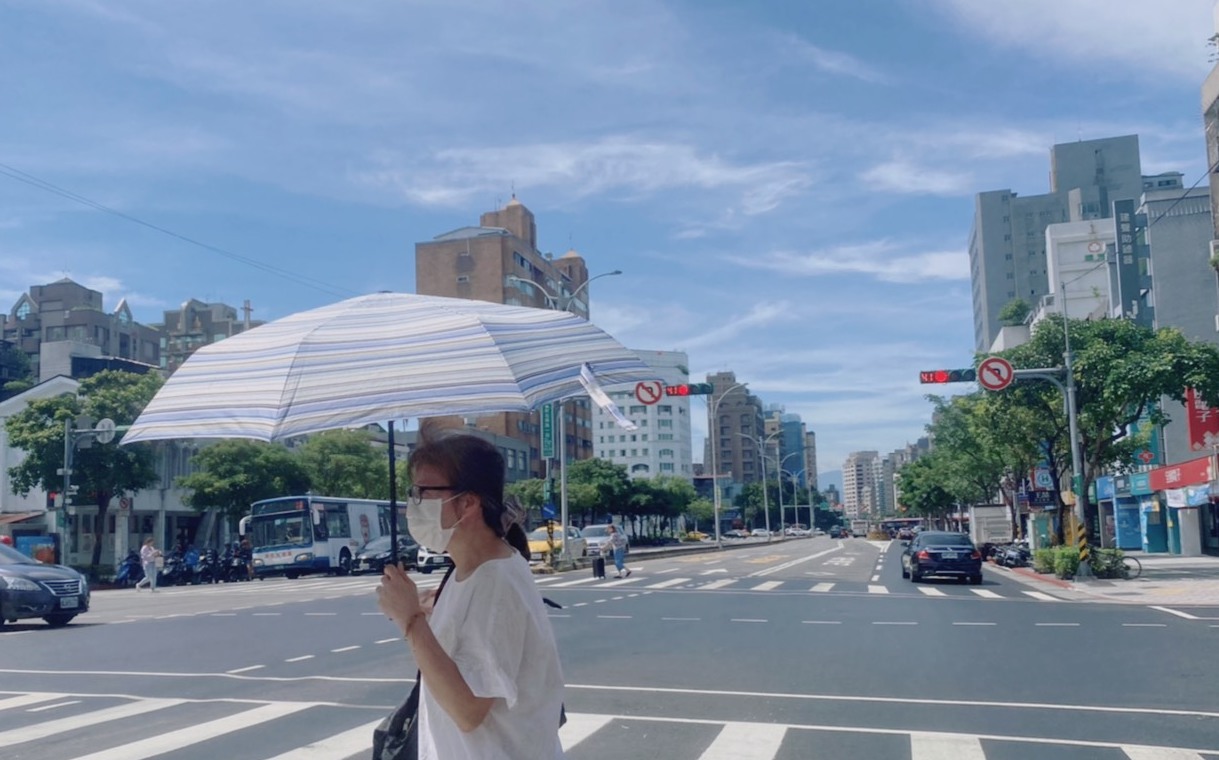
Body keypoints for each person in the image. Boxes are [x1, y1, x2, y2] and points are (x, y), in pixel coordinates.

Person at [377, 429, 565, 759]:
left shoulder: (495, 581)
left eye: (424, 492)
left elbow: (467, 710)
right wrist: (426, 614)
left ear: (468, 502)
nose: (413, 505)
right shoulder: (469, 572)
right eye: (412, 492)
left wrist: (411, 621)